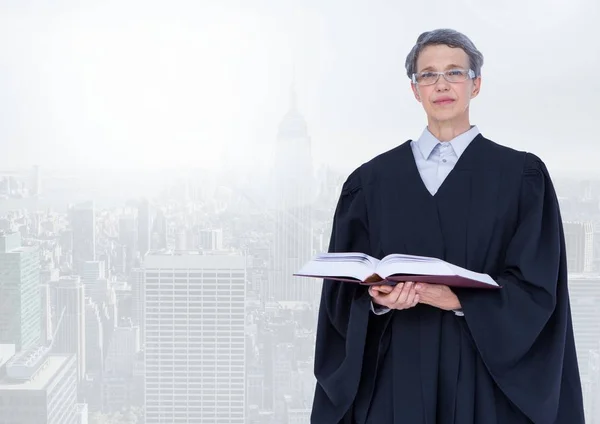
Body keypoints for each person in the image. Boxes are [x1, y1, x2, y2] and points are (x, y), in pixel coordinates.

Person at [310, 28, 585, 424]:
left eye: (455, 72)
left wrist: (456, 298)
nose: (441, 84)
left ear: (475, 84)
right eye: (428, 75)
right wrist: (376, 300)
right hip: (395, 377)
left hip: (484, 382)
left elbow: (538, 291)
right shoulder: (370, 182)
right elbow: (340, 296)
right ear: (414, 90)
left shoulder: (521, 177)